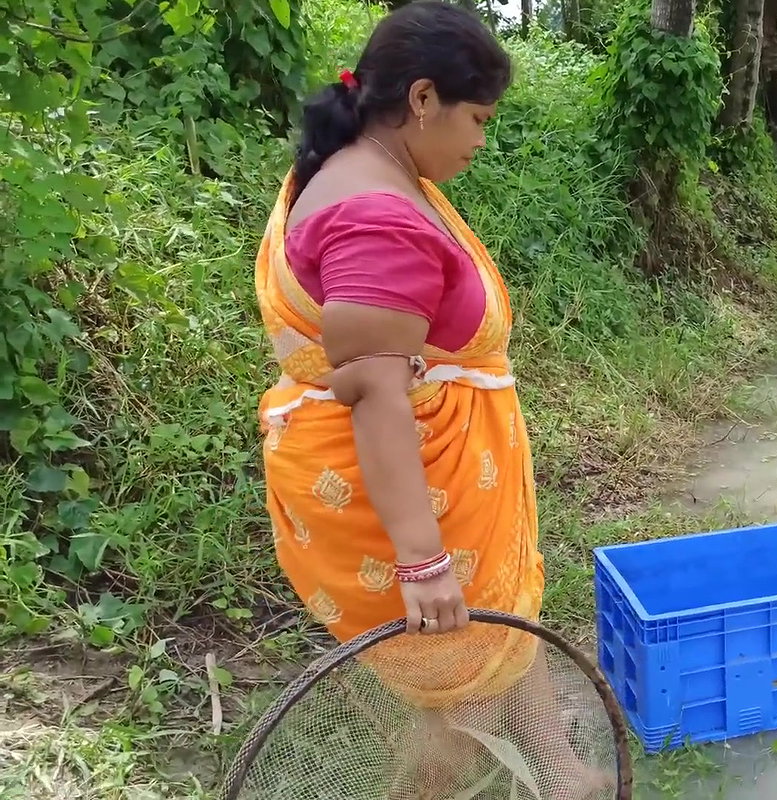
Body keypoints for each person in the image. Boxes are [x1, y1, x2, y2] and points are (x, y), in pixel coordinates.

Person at [252, 2, 609, 797]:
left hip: (421, 469)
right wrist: (422, 560)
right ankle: (457, 789)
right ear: (422, 99)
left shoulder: (355, 170)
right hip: (407, 484)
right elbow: (377, 390)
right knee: (458, 653)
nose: (481, 140)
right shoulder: (379, 216)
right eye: (477, 118)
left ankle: (561, 777)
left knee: (487, 648)